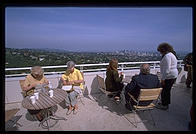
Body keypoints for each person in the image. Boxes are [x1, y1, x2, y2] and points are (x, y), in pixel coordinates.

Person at [156, 42, 178, 110]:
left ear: (163, 50)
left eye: (160, 51)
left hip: (169, 76)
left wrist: (163, 79)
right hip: (172, 75)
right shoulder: (171, 54)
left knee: (165, 91)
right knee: (166, 90)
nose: (160, 53)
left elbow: (167, 69)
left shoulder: (167, 56)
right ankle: (164, 102)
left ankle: (164, 105)